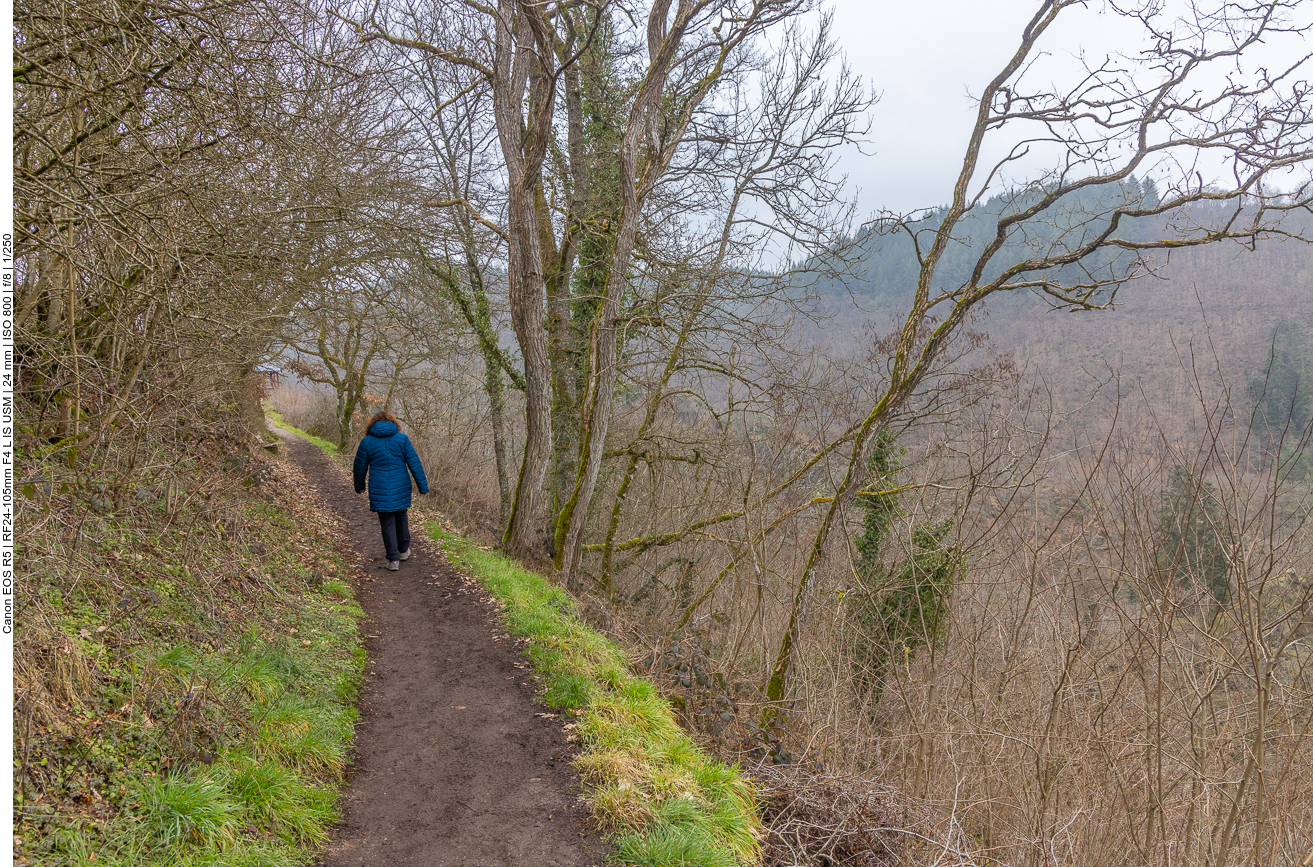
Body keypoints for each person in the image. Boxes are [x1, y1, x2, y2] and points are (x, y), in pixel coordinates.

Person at [353, 410, 430, 571]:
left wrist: (359, 486)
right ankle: (403, 550)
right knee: (401, 515)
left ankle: (393, 559)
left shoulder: (367, 442)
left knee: (386, 521)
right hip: (401, 484)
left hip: (379, 486)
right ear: (393, 423)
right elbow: (414, 463)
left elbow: (359, 467)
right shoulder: (402, 439)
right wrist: (422, 487)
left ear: (372, 425)